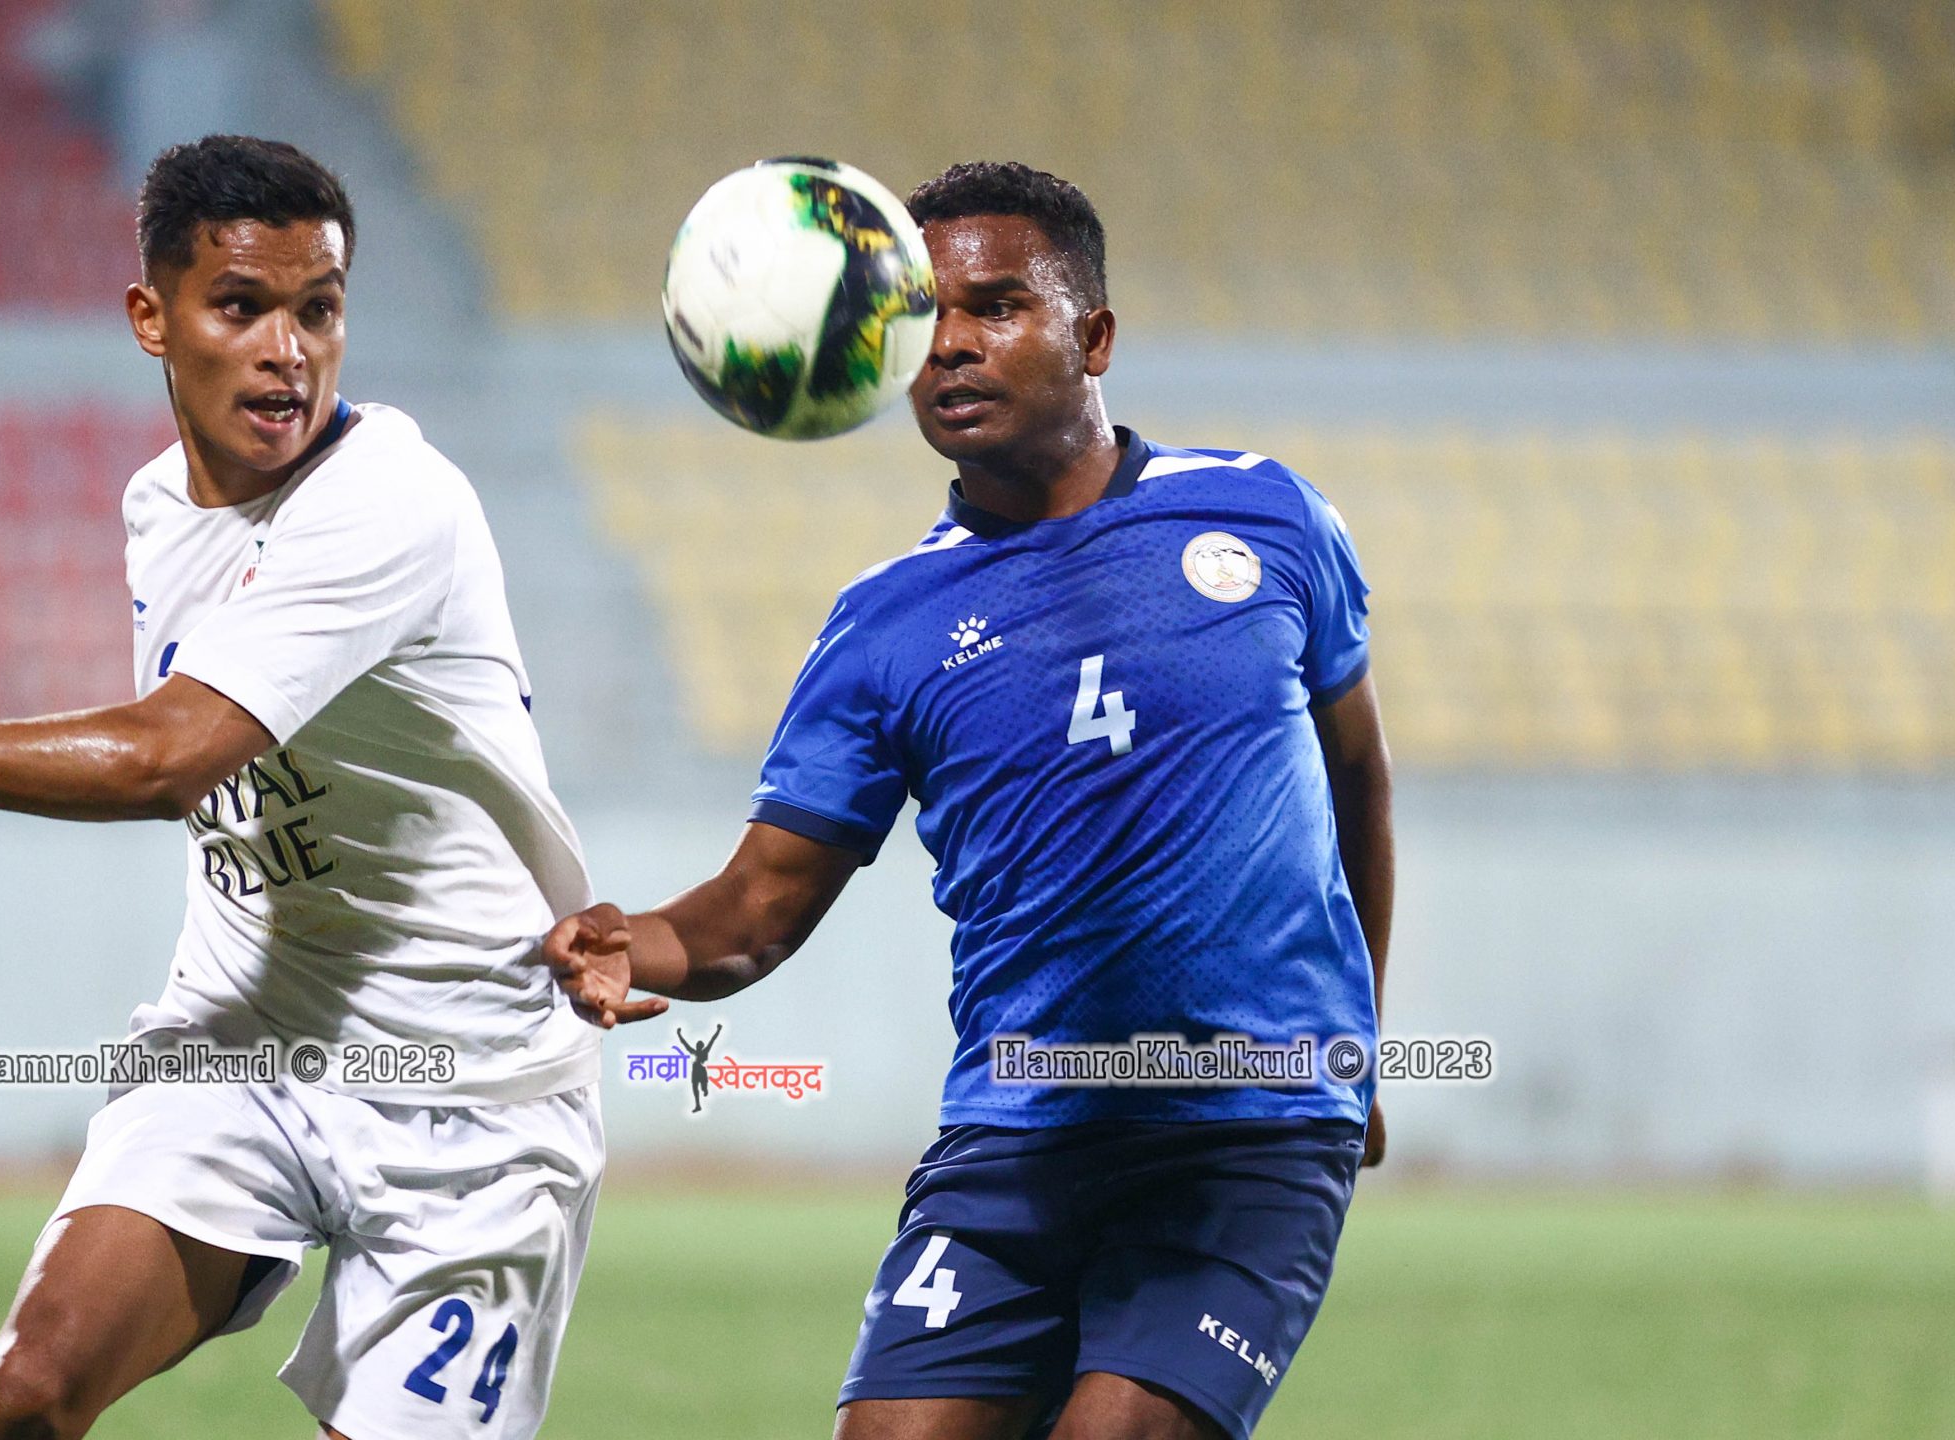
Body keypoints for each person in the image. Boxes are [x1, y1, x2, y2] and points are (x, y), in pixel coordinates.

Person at [0, 135, 602, 1440]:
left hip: (471, 1103)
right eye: (241, 307)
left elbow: (164, 757)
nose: (287, 352)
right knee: (22, 1398)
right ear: (152, 318)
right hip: (245, 1050)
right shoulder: (156, 510)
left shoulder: (393, 502)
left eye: (318, 310)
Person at [541, 161, 1393, 1440]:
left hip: (1246, 1124)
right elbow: (756, 908)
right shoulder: (884, 624)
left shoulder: (1265, 516)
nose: (947, 344)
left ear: (1092, 337)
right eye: (921, 317)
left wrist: (1358, 1037)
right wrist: (634, 942)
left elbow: (1357, 779)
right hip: (1016, 1128)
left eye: (995, 307)